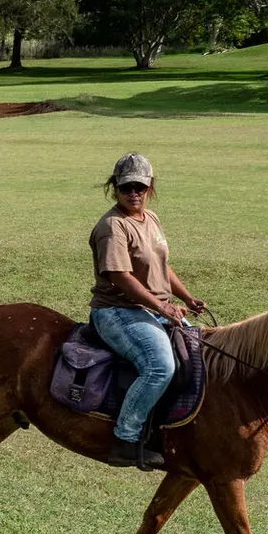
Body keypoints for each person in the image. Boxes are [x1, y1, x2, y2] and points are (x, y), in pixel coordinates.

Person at [88, 152, 207, 468]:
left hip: (151, 310)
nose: (134, 194)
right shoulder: (113, 226)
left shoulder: (150, 219)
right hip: (118, 312)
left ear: (150, 187)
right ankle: (125, 438)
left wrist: (188, 297)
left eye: (140, 187)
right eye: (126, 187)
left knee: (198, 353)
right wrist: (162, 307)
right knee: (159, 367)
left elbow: (161, 266)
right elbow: (121, 277)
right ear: (116, 188)